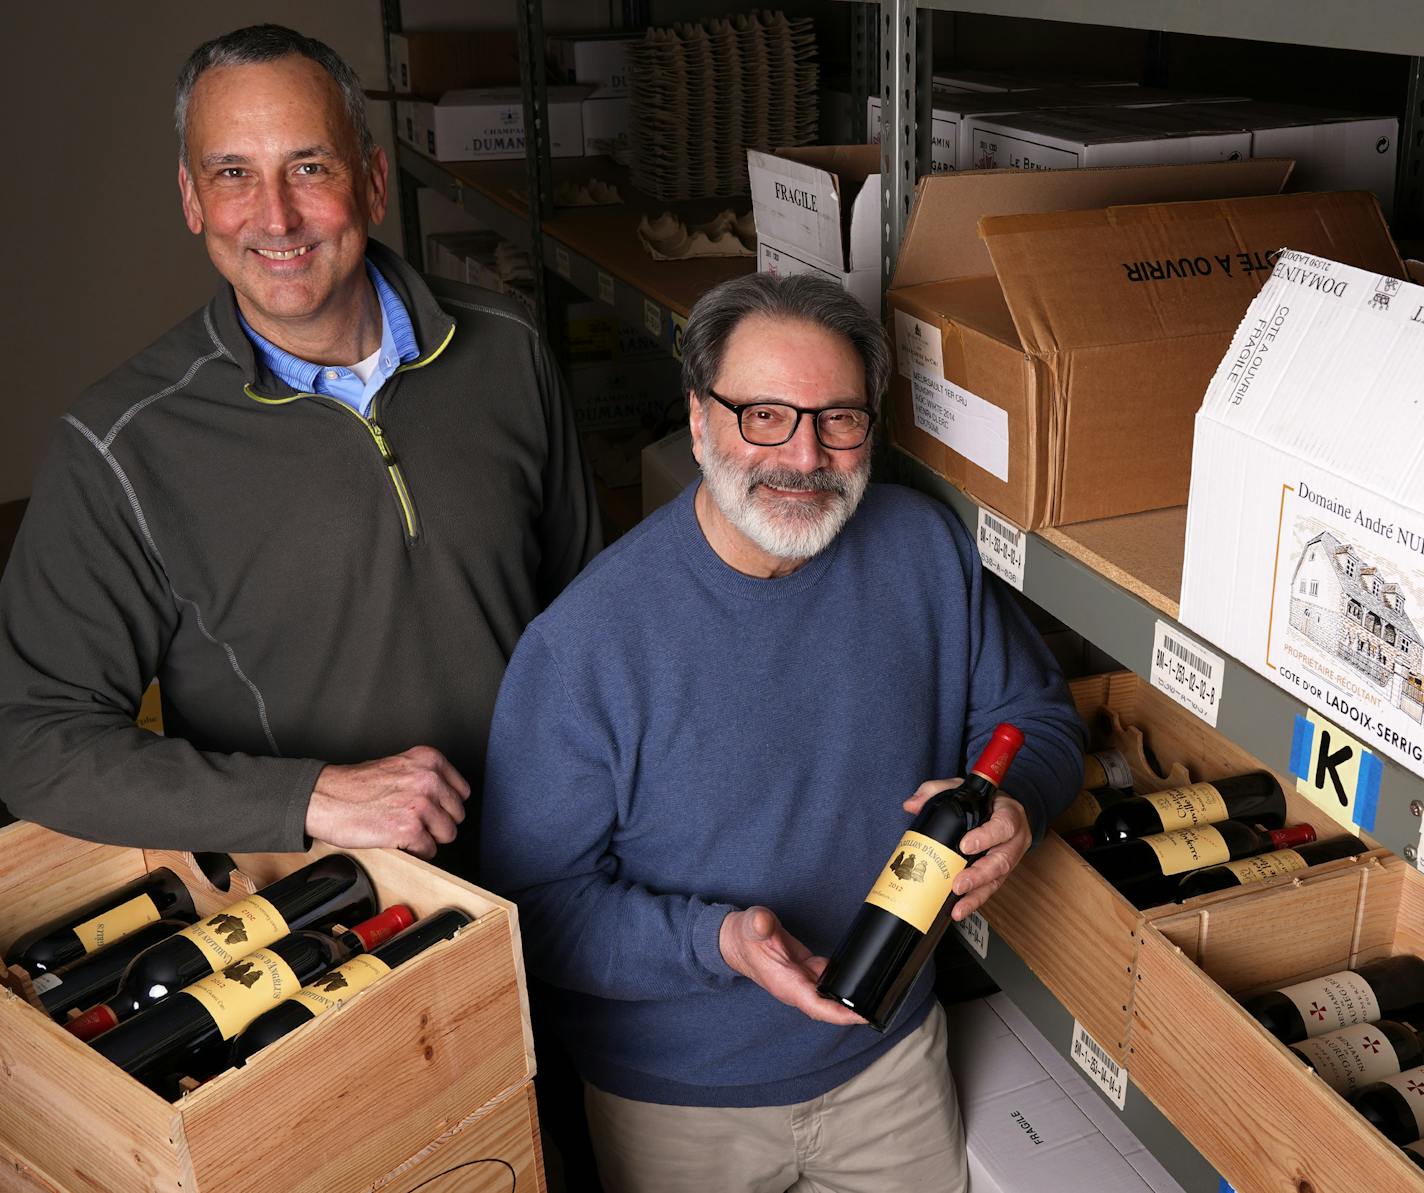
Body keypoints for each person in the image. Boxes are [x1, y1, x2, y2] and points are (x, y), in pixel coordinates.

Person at [479, 273, 1084, 1192]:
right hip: (677, 1108)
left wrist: (1022, 802)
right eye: (764, 414)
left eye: (838, 417)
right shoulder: (583, 648)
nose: (804, 454)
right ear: (697, 420)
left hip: (890, 1065)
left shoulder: (923, 550)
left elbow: (1034, 716)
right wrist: (714, 943)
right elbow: (534, 910)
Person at [0, 25, 599, 864]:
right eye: (233, 174)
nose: (275, 216)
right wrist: (307, 796)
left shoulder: (506, 347)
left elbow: (588, 613)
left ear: (375, 181)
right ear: (191, 199)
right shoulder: (120, 447)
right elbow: (33, 740)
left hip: (560, 862)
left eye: (310, 167)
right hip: (337, 913)